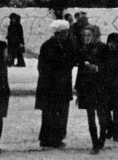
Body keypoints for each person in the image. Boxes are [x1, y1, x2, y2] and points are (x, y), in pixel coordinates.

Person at [35, 19, 77, 149]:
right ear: (59, 33)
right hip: (50, 86)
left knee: (61, 113)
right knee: (50, 113)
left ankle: (57, 137)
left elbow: (73, 59)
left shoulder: (68, 45)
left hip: (63, 85)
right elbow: (43, 67)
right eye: (65, 33)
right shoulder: (48, 46)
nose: (66, 35)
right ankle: (47, 139)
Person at [76, 25, 108, 154]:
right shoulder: (82, 49)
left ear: (95, 35)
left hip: (99, 86)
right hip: (87, 86)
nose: (87, 38)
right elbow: (80, 69)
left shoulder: (102, 48)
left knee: (101, 115)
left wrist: (96, 68)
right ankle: (95, 143)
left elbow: (107, 66)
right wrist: (78, 87)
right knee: (90, 116)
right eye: (85, 35)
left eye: (89, 35)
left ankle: (101, 138)